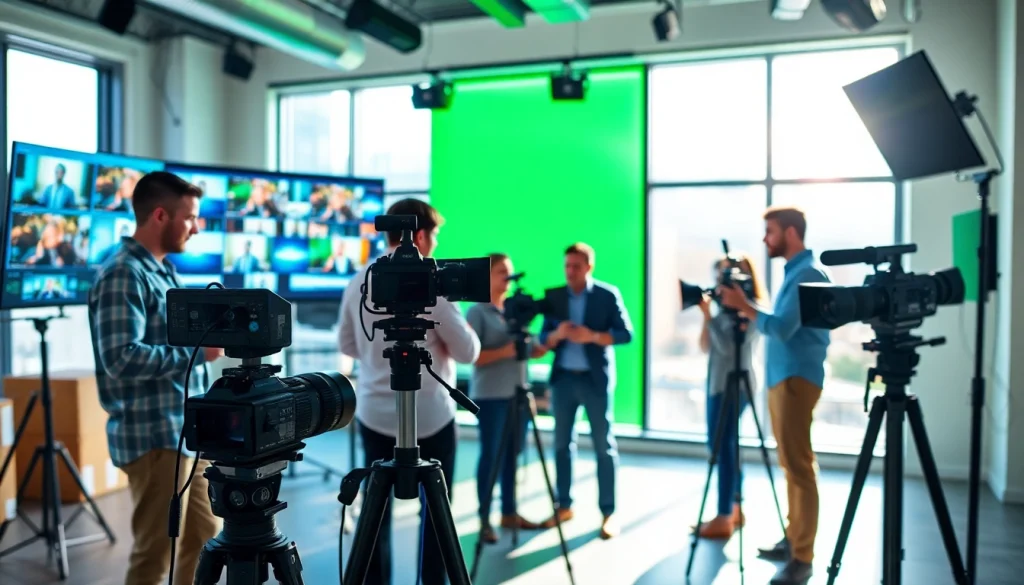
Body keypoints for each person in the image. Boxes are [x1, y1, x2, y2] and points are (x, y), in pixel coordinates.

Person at [87, 171, 224, 585]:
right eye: (191, 218)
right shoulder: (123, 273)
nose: (197, 228)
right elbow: (121, 358)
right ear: (161, 216)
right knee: (155, 551)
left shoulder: (161, 271)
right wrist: (198, 353)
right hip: (153, 437)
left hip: (184, 432)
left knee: (203, 533)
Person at [337, 198, 480, 585]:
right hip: (431, 418)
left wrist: (376, 357)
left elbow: (347, 344)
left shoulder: (359, 280)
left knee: (374, 514)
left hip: (373, 415)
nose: (434, 245)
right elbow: (468, 352)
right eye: (434, 235)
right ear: (419, 234)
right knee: (437, 518)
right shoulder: (429, 282)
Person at [717, 206, 830, 585]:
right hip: (786, 378)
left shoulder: (807, 274)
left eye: (770, 232)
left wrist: (744, 306)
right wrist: (750, 310)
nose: (765, 239)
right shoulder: (796, 273)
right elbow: (782, 323)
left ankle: (802, 557)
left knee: (799, 467)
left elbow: (781, 329)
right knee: (791, 465)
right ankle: (794, 540)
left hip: (796, 379)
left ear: (791, 233)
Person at [539, 242, 633, 540]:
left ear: (589, 267)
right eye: (567, 266)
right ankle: (563, 505)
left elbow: (625, 334)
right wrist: (557, 334)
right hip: (563, 380)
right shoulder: (555, 296)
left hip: (595, 381)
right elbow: (543, 337)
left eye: (576, 267)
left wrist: (591, 336)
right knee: (561, 445)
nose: (570, 272)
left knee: (603, 446)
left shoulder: (607, 295)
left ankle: (608, 512)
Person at [466, 253, 548, 544]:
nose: (508, 278)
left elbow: (526, 349)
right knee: (491, 457)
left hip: (518, 394)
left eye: (510, 272)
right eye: (502, 271)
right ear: (487, 276)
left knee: (513, 457)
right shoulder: (477, 312)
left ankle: (509, 512)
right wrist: (509, 351)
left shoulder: (514, 311)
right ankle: (485, 519)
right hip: (490, 397)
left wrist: (543, 344)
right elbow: (473, 357)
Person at [693, 255, 766, 539]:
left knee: (722, 448)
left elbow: (727, 349)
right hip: (718, 384)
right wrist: (708, 315)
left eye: (726, 278)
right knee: (726, 446)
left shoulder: (751, 311)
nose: (720, 286)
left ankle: (724, 515)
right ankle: (734, 508)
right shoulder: (724, 312)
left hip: (736, 386)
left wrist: (710, 316)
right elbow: (705, 347)